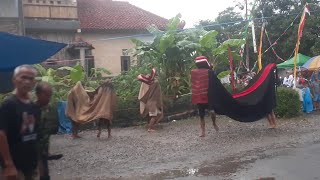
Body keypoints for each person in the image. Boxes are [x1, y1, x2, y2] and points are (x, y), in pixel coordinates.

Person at [0, 65, 39, 180]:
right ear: (14, 80)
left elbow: (35, 134)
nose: (27, 81)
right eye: (23, 77)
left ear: (34, 82)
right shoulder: (9, 104)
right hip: (15, 166)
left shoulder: (32, 105)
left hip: (30, 164)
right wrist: (8, 164)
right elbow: (1, 134)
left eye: (31, 78)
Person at [35, 82, 63, 180]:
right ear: (38, 94)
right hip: (32, 150)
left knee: (45, 174)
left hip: (43, 149)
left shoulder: (50, 109)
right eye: (46, 95)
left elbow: (52, 129)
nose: (49, 98)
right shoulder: (31, 110)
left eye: (50, 95)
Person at [191, 56, 219, 137]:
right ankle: (202, 131)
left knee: (212, 112)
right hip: (200, 97)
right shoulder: (195, 72)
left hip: (208, 97)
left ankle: (214, 123)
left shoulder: (209, 72)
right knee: (201, 116)